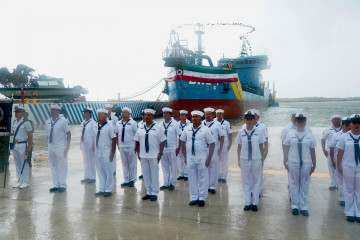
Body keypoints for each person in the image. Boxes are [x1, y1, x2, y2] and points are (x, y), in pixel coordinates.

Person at [283, 113, 316, 217]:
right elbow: (286, 148)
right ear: (295, 123)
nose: (301, 123)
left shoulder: (310, 135)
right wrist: (285, 161)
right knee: (293, 184)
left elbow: (312, 151)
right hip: (293, 162)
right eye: (298, 121)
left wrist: (314, 164)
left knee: (304, 185)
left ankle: (304, 206)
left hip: (306, 163)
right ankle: (295, 206)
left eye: (302, 122)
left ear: (305, 123)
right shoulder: (290, 134)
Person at [180, 110, 215, 207]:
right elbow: (182, 141)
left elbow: (212, 144)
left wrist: (209, 159)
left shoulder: (206, 130)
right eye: (193, 117)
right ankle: (194, 197)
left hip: (202, 158)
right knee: (192, 178)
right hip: (190, 158)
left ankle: (202, 198)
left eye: (196, 117)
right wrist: (185, 156)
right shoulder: (187, 129)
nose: (194, 118)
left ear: (201, 118)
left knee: (203, 178)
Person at [134, 108, 166, 202]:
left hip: (154, 155)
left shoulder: (158, 127)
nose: (147, 117)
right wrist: (138, 153)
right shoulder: (140, 127)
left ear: (153, 117)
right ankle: (148, 192)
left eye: (149, 115)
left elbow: (162, 141)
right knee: (146, 174)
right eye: (145, 115)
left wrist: (160, 153)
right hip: (143, 155)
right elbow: (137, 141)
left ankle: (155, 193)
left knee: (154, 174)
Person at [236, 110, 265, 212]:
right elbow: (239, 146)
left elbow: (261, 146)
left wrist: (262, 159)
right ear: (244, 120)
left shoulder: (259, 132)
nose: (249, 121)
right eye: (247, 119)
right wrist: (239, 160)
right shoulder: (241, 132)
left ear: (254, 120)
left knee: (256, 182)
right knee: (246, 181)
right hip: (244, 159)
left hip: (256, 159)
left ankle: (254, 203)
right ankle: (248, 202)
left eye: (251, 119)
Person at [337, 114, 360, 223]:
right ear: (350, 124)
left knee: (359, 191)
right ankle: (350, 212)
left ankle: (358, 212)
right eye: (354, 123)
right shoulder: (344, 137)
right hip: (348, 167)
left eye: (358, 123)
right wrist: (338, 165)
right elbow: (340, 152)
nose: (357, 125)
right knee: (349, 190)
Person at [45, 104, 71, 193]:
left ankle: (63, 185)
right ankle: (56, 184)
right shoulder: (48, 121)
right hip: (51, 146)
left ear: (59, 111)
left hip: (60, 146)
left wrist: (67, 147)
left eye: (55, 110)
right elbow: (47, 134)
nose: (52, 111)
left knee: (62, 166)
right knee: (53, 165)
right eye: (51, 110)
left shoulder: (63, 121)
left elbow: (68, 134)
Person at [93, 109, 117, 197]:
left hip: (106, 150)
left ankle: (108, 189)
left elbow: (114, 139)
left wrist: (112, 153)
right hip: (97, 151)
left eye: (100, 114)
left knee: (108, 171)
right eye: (98, 114)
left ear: (106, 116)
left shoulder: (110, 126)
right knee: (100, 171)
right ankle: (102, 188)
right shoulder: (95, 126)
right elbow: (94, 137)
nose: (98, 116)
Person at [329, 116, 351, 207]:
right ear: (342, 125)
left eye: (350, 125)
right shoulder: (336, 135)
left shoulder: (356, 135)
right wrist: (333, 161)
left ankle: (349, 198)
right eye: (346, 125)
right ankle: (342, 199)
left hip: (350, 161)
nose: (349, 127)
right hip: (339, 160)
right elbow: (331, 148)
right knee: (340, 181)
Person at [159, 107, 182, 191]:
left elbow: (180, 136)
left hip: (172, 148)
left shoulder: (175, 124)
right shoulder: (160, 124)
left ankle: (172, 183)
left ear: (170, 114)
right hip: (163, 149)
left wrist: (178, 147)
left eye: (167, 113)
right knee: (164, 166)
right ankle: (166, 183)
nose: (165, 114)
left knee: (173, 166)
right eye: (164, 113)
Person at [203, 107, 225, 194]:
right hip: (203, 149)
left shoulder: (217, 124)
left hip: (214, 148)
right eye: (206, 114)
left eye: (209, 114)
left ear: (213, 115)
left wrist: (220, 148)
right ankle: (205, 185)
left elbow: (222, 136)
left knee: (213, 168)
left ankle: (212, 186)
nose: (207, 116)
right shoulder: (201, 123)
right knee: (204, 168)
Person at [11, 106, 33, 189]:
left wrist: (29, 146)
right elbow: (15, 133)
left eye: (17, 112)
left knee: (24, 163)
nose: (16, 113)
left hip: (23, 145)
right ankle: (19, 181)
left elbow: (30, 134)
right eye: (15, 112)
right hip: (15, 144)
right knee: (17, 164)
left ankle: (25, 181)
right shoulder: (14, 122)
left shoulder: (26, 123)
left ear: (22, 113)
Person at [115, 107, 138, 187]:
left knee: (132, 164)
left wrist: (136, 146)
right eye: (122, 112)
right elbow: (117, 134)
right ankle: (126, 180)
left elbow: (137, 135)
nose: (123, 113)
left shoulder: (133, 123)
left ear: (129, 114)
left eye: (125, 112)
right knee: (124, 164)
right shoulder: (118, 123)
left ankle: (132, 179)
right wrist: (118, 144)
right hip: (122, 146)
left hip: (131, 146)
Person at [322, 114, 342, 190]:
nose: (336, 120)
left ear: (341, 120)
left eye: (338, 119)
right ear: (332, 121)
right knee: (332, 167)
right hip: (331, 151)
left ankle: (340, 184)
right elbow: (323, 139)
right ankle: (333, 183)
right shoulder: (328, 129)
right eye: (335, 119)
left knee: (341, 167)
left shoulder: (344, 128)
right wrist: (324, 149)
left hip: (342, 151)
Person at [216, 109, 233, 183]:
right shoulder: (214, 123)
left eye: (220, 114)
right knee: (216, 161)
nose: (219, 115)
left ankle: (223, 176)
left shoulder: (227, 123)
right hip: (216, 145)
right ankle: (217, 175)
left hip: (224, 145)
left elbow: (230, 134)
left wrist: (230, 144)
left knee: (224, 161)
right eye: (218, 114)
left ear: (223, 115)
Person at [80, 107, 96, 184]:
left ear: (90, 114)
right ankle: (86, 177)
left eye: (86, 113)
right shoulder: (83, 122)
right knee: (85, 160)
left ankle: (92, 177)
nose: (84, 114)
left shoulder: (93, 123)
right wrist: (81, 144)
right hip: (84, 143)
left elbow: (94, 135)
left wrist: (94, 145)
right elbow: (81, 134)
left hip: (90, 143)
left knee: (91, 160)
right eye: (84, 113)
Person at [105, 103, 118, 176]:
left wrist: (116, 139)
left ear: (111, 110)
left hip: (113, 137)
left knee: (113, 153)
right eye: (106, 108)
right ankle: (108, 169)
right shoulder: (104, 118)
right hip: (106, 138)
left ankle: (113, 170)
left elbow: (117, 128)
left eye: (108, 109)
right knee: (107, 154)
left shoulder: (115, 118)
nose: (107, 110)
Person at [177, 110, 190, 181]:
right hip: (179, 143)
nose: (181, 116)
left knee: (186, 157)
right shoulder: (177, 124)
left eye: (183, 115)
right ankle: (181, 174)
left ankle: (186, 174)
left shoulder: (190, 124)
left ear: (186, 116)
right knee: (180, 158)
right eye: (180, 115)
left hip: (186, 143)